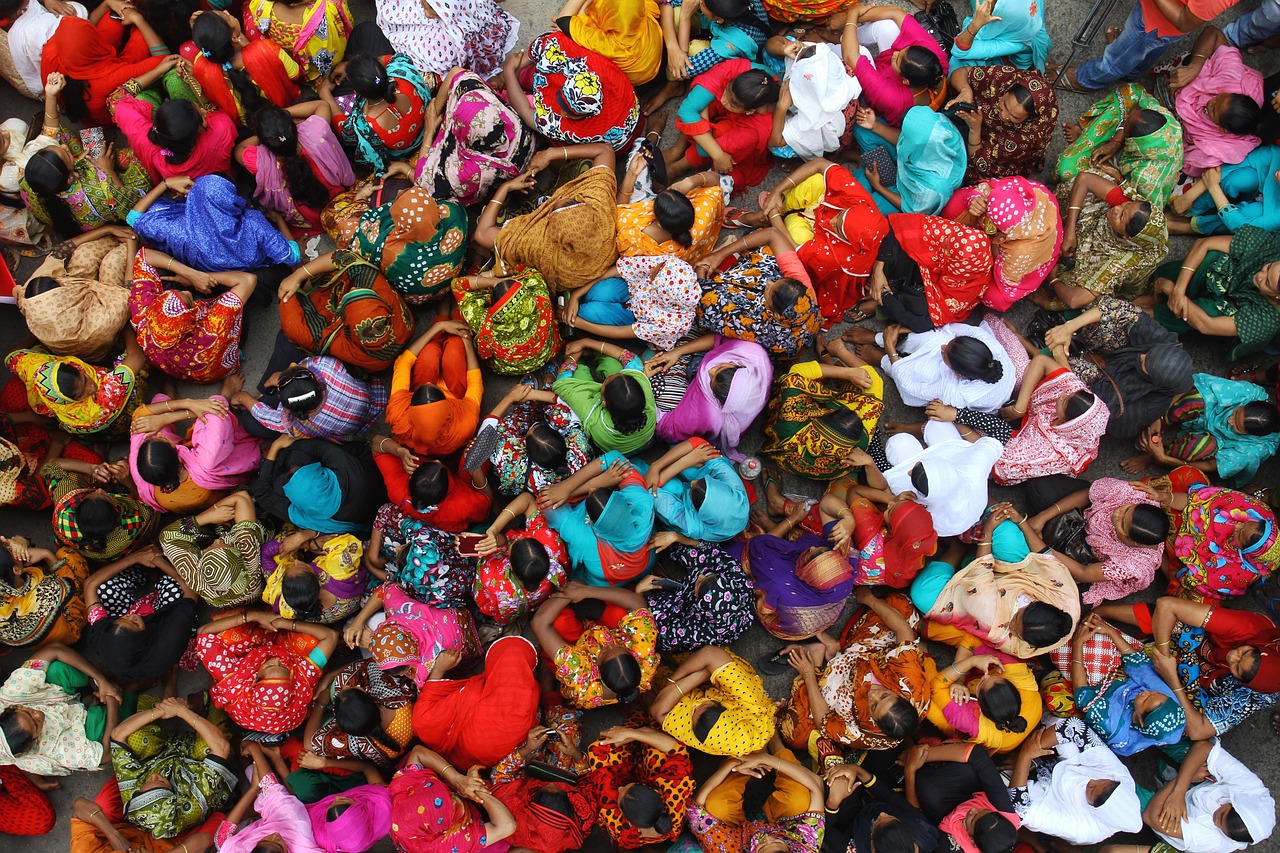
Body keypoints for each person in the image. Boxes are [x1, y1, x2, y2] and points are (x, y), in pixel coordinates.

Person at [778, 590, 927, 752]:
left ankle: (822, 654)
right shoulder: (910, 682)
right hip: (871, 652)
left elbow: (824, 721)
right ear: (900, 695)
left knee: (796, 737)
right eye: (885, 695)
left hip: (842, 694)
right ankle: (834, 650)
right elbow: (902, 630)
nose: (873, 695)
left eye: (874, 706)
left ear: (873, 721)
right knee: (902, 605)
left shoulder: (863, 734)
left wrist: (808, 675)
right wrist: (869, 599)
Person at [1043, 295, 1195, 438]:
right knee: (1111, 318)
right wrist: (1068, 328)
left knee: (1075, 381)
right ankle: (1071, 340)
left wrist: (1058, 354)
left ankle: (1052, 356)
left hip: (1099, 396)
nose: (1141, 356)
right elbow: (1122, 309)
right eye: (1147, 355)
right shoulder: (1165, 345)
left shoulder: (1147, 405)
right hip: (1112, 360)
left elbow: (1083, 404)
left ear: (1152, 379)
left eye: (1144, 365)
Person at [477, 143, 621, 292]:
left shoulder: (537, 246)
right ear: (584, 206)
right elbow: (605, 150)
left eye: (552, 209)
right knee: (586, 164)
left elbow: (482, 233)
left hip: (527, 219)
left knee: (486, 217)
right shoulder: (599, 207)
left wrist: (506, 188)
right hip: (549, 215)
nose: (553, 202)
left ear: (554, 233)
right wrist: (550, 154)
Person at [922, 524, 1079, 659]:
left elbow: (980, 574)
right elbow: (1046, 558)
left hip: (974, 593)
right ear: (1036, 603)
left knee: (924, 595)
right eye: (1017, 619)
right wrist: (1022, 522)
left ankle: (958, 549)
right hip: (1017, 571)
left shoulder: (992, 618)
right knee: (1007, 531)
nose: (1010, 628)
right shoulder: (1066, 602)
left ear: (1029, 643)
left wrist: (988, 534)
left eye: (1016, 632)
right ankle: (976, 534)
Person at [384, 66, 535, 206]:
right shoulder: (501, 115)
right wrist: (435, 111)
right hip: (506, 142)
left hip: (493, 165)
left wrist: (430, 129)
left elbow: (426, 182)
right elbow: (457, 73)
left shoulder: (469, 172)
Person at [1022, 475, 1168, 604]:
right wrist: (1043, 517)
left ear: (1134, 543)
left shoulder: (1135, 565)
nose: (1117, 514)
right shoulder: (1136, 493)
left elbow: (1083, 572)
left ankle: (1046, 542)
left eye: (1122, 524)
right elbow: (1088, 494)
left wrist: (1037, 544)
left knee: (1060, 604)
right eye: (1127, 509)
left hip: (1089, 561)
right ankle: (1047, 531)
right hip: (1083, 518)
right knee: (1038, 488)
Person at [1136, 472, 1279, 600]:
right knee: (1190, 475)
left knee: (1191, 597)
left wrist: (1163, 557)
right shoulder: (1254, 510)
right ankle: (1158, 538)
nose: (1237, 525)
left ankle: (1158, 550)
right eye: (1245, 523)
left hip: (1184, 555)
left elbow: (1193, 580)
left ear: (1244, 552)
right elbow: (1194, 501)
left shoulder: (1238, 574)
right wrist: (1164, 497)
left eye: (1240, 534)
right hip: (1187, 515)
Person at [196, 609, 339, 736]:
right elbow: (330, 636)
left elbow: (204, 633)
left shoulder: (235, 683)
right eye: (283, 667)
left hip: (251, 653)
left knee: (224, 634)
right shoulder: (302, 680)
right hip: (282, 647)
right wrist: (284, 623)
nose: (277, 660)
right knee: (311, 642)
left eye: (271, 667)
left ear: (254, 680)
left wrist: (252, 616)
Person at [109, 697, 237, 839]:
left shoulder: (134, 797)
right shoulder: (191, 807)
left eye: (147, 782)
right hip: (194, 765)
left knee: (135, 739)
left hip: (161, 754)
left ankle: (166, 700)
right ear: (174, 796)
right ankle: (217, 700)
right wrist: (181, 711)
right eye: (160, 782)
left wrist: (162, 710)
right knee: (208, 748)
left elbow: (117, 734)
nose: (153, 776)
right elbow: (221, 748)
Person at [1149, 227, 1280, 362]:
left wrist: (1170, 290)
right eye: (1268, 267)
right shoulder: (1274, 248)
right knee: (1211, 257)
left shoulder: (1267, 320)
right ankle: (1159, 284)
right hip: (1228, 276)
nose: (1260, 275)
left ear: (1278, 296)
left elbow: (1207, 325)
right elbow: (1204, 244)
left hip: (1231, 310)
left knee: (1201, 312)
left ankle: (1146, 315)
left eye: (1267, 282)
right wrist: (1179, 290)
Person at [692, 223, 821, 358]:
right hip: (775, 311)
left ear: (775, 315)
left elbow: (705, 302)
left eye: (770, 290)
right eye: (776, 282)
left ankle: (719, 272)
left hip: (758, 323)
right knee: (765, 244)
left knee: (710, 304)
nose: (769, 283)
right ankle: (726, 268)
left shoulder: (764, 330)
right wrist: (720, 254)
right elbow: (772, 234)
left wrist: (701, 268)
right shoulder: (803, 294)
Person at [410, 635, 540, 769]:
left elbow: (423, 722)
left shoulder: (472, 694)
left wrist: (438, 670)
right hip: (480, 770)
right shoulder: (531, 695)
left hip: (445, 760)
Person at [866, 414, 1007, 537]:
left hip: (952, 512)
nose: (908, 472)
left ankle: (917, 446)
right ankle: (923, 436)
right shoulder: (976, 463)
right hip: (956, 454)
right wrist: (956, 414)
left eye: (912, 475)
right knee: (938, 424)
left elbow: (884, 476)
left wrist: (872, 440)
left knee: (899, 444)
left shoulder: (910, 497)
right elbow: (1003, 429)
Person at [1125, 373, 1280, 485]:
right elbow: (1192, 383)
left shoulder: (1253, 450)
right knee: (1194, 400)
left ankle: (1153, 455)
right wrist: (1158, 417)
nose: (1230, 420)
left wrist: (1163, 459)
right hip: (1210, 414)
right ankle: (1155, 430)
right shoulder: (1248, 393)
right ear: (1247, 403)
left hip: (1219, 442)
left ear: (1249, 436)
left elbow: (1210, 466)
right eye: (1236, 413)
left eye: (1237, 426)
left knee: (1201, 447)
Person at [1007, 717, 1143, 844]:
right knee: (1063, 722)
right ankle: (1034, 751)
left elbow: (1021, 808)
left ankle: (1025, 760)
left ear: (1094, 808)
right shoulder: (1121, 777)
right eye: (1099, 780)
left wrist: (1025, 757)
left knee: (1012, 800)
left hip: (1048, 795)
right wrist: (1031, 749)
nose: (1091, 782)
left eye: (1091, 790)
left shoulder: (1083, 829)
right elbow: (1076, 727)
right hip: (1070, 765)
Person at [761, 341, 884, 480]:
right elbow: (875, 382)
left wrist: (847, 373)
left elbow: (795, 375)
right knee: (872, 385)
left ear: (821, 415)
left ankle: (833, 368)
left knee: (793, 380)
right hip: (822, 472)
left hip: (789, 452)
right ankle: (836, 360)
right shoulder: (860, 443)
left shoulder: (791, 425)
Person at [277, 250, 413, 374]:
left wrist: (296, 278)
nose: (353, 289)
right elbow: (344, 257)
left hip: (347, 319)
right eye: (355, 291)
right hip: (358, 310)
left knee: (294, 325)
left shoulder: (348, 350)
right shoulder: (383, 295)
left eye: (351, 294)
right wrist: (299, 274)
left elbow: (316, 338)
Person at [128, 253, 255, 385]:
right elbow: (248, 280)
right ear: (188, 324)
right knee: (233, 288)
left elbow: (144, 256)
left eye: (179, 292)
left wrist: (190, 274)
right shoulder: (212, 329)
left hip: (182, 368)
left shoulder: (143, 315)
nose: (188, 292)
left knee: (162, 274)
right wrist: (199, 278)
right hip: (216, 357)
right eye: (188, 300)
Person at [128, 175, 300, 272]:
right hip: (252, 263)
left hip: (213, 267)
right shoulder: (254, 224)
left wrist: (165, 184)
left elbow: (133, 218)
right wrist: (278, 221)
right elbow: (293, 257)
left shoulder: (180, 232)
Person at [1068, 614, 1188, 754]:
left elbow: (1082, 694)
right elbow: (1142, 667)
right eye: (1154, 693)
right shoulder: (1168, 706)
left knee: (1061, 701)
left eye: (1145, 700)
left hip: (1096, 695)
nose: (1147, 692)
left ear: (1141, 721)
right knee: (1157, 653)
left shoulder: (1111, 726)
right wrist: (1111, 632)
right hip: (1120, 682)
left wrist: (1078, 643)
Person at [1047, 171, 1167, 308]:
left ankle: (1046, 297)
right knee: (1088, 191)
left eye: (1121, 217)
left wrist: (1053, 280)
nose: (1116, 208)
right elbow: (1085, 179)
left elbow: (1074, 300)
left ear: (1127, 237)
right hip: (1100, 235)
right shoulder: (1140, 215)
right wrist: (1070, 229)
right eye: (1125, 206)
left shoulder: (1120, 265)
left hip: (1110, 264)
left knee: (1081, 293)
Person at [1062, 0, 1242, 92]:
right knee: (1140, 50)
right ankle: (1129, 70)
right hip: (1155, 20)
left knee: (1115, 61)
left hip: (1155, 23)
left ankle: (1086, 80)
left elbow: (1183, 21)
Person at [500, 33, 640, 151]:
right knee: (535, 71)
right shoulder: (602, 71)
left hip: (618, 144)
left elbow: (525, 112)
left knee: (523, 100)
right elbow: (549, 44)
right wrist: (516, 68)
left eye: (572, 114)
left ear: (588, 115)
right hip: (631, 116)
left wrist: (508, 71)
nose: (563, 114)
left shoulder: (575, 131)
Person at [332, 183, 467, 305]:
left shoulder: (392, 251)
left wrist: (360, 198)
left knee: (347, 227)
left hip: (412, 301)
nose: (401, 189)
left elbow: (350, 232)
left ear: (401, 225)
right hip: (445, 286)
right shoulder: (453, 211)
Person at [15, 225, 134, 362]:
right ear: (66, 297)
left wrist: (107, 230)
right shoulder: (95, 328)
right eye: (62, 284)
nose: (64, 281)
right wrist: (131, 245)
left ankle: (121, 236)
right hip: (105, 319)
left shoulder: (32, 297)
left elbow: (58, 252)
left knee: (84, 253)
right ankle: (133, 243)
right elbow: (129, 293)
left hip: (79, 301)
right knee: (112, 263)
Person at [0, 642, 120, 776]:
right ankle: (120, 696)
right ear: (33, 741)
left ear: (14, 708)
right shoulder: (52, 751)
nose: (38, 715)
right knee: (97, 726)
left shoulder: (11, 694)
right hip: (80, 728)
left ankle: (95, 684)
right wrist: (112, 702)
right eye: (35, 724)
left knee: (56, 669)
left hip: (63, 699)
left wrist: (101, 680)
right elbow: (106, 756)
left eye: (28, 712)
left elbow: (54, 649)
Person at [236, 102, 355, 235]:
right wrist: (281, 119)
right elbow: (322, 105)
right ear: (293, 127)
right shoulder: (315, 132)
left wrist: (267, 132)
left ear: (263, 142)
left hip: (310, 220)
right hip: (337, 196)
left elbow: (239, 149)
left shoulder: (262, 163)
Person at [944, 176, 1061, 310]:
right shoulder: (1010, 193)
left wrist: (988, 240)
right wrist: (975, 201)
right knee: (953, 206)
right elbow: (984, 190)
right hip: (1001, 233)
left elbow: (1002, 274)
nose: (986, 222)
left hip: (1016, 263)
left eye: (995, 226)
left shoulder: (1023, 251)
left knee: (994, 298)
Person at [128, 395, 260, 514]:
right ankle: (225, 392)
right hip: (211, 485)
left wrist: (178, 408)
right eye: (163, 439)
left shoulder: (142, 475)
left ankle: (171, 395)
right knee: (214, 418)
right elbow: (216, 407)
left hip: (191, 490)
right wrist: (187, 411)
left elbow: (140, 414)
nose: (161, 435)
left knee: (149, 420)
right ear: (179, 456)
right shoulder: (206, 465)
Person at [21, 117, 152, 238]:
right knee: (143, 155)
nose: (64, 146)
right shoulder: (102, 194)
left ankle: (99, 149)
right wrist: (108, 171)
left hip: (90, 177)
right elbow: (134, 203)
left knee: (59, 131)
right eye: (66, 153)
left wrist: (81, 159)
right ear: (69, 179)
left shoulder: (34, 182)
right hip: (113, 191)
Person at [533, 581, 657, 708]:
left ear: (596, 668)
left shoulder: (580, 676)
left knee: (558, 622)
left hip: (576, 647)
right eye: (620, 646)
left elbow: (539, 623)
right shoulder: (644, 663)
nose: (609, 643)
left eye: (604, 652)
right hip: (600, 632)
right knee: (619, 611)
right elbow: (636, 602)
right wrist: (586, 591)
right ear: (634, 657)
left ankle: (562, 591)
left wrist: (570, 592)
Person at [1055, 86, 1183, 208]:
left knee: (1066, 169)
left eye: (1126, 125)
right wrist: (1116, 142)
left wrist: (1118, 177)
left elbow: (1140, 209)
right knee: (1133, 91)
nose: (1125, 117)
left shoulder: (1145, 179)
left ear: (1132, 143)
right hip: (1129, 151)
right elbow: (1139, 104)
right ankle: (1087, 138)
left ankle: (1088, 139)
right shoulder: (1167, 120)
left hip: (1125, 181)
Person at [83, 547, 198, 683]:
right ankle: (158, 567)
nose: (131, 616)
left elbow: (89, 585)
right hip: (170, 628)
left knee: (104, 588)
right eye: (134, 623)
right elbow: (191, 592)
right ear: (141, 638)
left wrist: (136, 557)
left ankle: (146, 572)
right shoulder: (168, 642)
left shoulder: (102, 635)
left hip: (145, 625)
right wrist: (158, 560)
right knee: (175, 588)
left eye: (122, 618)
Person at [542, 452, 657, 586]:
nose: (591, 489)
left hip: (608, 584)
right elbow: (615, 457)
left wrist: (569, 489)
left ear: (591, 523)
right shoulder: (642, 503)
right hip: (647, 562)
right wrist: (568, 487)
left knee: (558, 511)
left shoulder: (586, 540)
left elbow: (546, 503)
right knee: (635, 467)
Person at [994, 354, 1111, 484]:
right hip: (1027, 422)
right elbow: (1041, 360)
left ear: (1067, 423)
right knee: (1021, 368)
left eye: (1064, 402)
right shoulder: (1076, 396)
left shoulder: (1052, 452)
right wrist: (1020, 408)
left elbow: (998, 461)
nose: (1062, 395)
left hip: (1020, 447)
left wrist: (968, 427)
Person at [1142, 739, 1275, 853]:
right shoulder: (1250, 789)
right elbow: (1203, 748)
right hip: (1194, 787)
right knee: (1182, 743)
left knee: (1131, 800)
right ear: (1234, 803)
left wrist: (1180, 784)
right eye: (1222, 816)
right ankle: (1142, 733)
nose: (1216, 821)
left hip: (1168, 813)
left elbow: (1151, 817)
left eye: (1222, 830)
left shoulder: (1212, 840)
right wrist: (1180, 791)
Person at [343, 576, 480, 686]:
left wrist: (373, 642)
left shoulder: (426, 668)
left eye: (406, 670)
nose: (403, 675)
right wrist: (361, 625)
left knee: (360, 630)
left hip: (469, 648)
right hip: (459, 614)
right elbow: (385, 588)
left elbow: (428, 689)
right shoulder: (399, 607)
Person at [653, 334, 772, 461]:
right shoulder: (751, 353)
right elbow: (717, 339)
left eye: (711, 381)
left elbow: (665, 429)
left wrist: (643, 379)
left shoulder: (707, 415)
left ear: (720, 401)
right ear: (739, 367)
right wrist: (677, 352)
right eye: (720, 367)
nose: (710, 371)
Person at [41, 11, 170, 127]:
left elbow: (79, 31)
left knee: (112, 19)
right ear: (93, 41)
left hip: (81, 105)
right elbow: (165, 58)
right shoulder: (111, 77)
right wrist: (139, 19)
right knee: (141, 38)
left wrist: (108, 3)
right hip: (105, 117)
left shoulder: (51, 53)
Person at [860, 319, 1015, 413]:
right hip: (969, 372)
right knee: (933, 336)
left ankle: (882, 359)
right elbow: (949, 328)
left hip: (957, 389)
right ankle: (878, 338)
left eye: (944, 354)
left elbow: (911, 387)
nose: (942, 347)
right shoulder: (987, 343)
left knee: (922, 373)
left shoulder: (960, 392)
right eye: (948, 346)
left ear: (957, 374)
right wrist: (907, 330)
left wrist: (890, 350)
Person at [687, 749, 826, 852]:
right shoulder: (805, 847)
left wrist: (731, 766)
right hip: (782, 821)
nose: (768, 838)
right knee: (799, 800)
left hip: (737, 831)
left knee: (717, 805)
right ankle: (775, 744)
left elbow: (696, 810)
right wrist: (767, 760)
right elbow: (815, 786)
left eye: (763, 845)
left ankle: (744, 755)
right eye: (778, 842)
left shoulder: (728, 849)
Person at [233, 351, 387, 442]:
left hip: (347, 429)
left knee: (248, 420)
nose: (293, 364)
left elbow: (269, 418)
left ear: (289, 408)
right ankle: (266, 391)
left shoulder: (300, 424)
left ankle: (262, 392)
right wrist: (284, 376)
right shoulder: (326, 367)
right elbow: (305, 365)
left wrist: (243, 397)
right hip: (372, 401)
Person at [1169, 28, 1263, 176]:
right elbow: (1213, 33)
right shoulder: (1233, 79)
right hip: (1181, 88)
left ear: (1223, 129)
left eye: (1213, 110)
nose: (1210, 102)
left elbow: (1183, 159)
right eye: (1219, 97)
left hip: (1177, 122)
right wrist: (1194, 67)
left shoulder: (1217, 147)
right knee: (1187, 61)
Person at [670, 59, 778, 188]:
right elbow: (688, 110)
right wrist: (718, 155)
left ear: (749, 111)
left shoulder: (754, 129)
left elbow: (704, 150)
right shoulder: (736, 70)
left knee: (716, 129)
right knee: (703, 102)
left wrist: (717, 153)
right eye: (727, 90)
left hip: (740, 131)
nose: (723, 100)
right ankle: (678, 148)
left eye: (731, 104)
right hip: (739, 104)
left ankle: (679, 167)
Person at [387, 745, 518, 850]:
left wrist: (456, 779)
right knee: (502, 845)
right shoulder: (447, 845)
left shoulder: (403, 787)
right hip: (465, 835)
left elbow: (418, 752)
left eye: (447, 794)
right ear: (443, 827)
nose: (454, 797)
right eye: (453, 805)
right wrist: (477, 789)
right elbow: (507, 826)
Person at [651, 645, 776, 755]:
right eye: (700, 707)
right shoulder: (748, 700)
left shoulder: (702, 736)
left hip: (702, 684)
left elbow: (657, 712)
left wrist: (696, 677)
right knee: (687, 659)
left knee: (658, 683)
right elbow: (710, 653)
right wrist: (673, 681)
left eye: (693, 713)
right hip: (727, 689)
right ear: (715, 703)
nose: (694, 707)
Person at [108, 79, 238, 184]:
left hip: (170, 187)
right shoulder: (220, 129)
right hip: (222, 183)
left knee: (142, 96)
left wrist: (158, 71)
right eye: (202, 116)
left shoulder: (146, 143)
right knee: (175, 80)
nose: (204, 112)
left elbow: (115, 100)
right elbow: (215, 111)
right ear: (195, 134)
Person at [924, 637, 1041, 753]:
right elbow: (970, 640)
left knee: (925, 698)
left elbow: (936, 686)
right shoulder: (1016, 673)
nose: (986, 676)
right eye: (995, 677)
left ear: (978, 704)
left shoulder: (972, 721)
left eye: (982, 683)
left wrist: (972, 661)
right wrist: (959, 681)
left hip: (970, 729)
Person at [475, 382, 593, 497]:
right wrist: (532, 394)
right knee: (558, 413)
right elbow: (564, 403)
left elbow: (484, 437)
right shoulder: (580, 446)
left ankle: (525, 396)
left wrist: (511, 397)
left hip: (519, 471)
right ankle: (542, 384)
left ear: (525, 450)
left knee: (502, 428)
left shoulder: (513, 465)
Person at [561, 256, 702, 352]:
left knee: (589, 312)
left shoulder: (671, 325)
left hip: (636, 319)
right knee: (599, 292)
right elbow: (616, 271)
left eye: (653, 277)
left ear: (661, 295)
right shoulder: (671, 265)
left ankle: (578, 316)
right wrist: (576, 295)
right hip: (632, 289)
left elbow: (619, 333)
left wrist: (578, 322)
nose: (653, 269)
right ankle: (580, 302)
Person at [321, 52, 432, 173]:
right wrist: (357, 69)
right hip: (422, 127)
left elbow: (345, 134)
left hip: (404, 151)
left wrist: (324, 92)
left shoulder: (363, 126)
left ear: (356, 92)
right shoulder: (402, 71)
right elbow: (392, 58)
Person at [385, 318, 481, 456]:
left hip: (433, 390)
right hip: (455, 393)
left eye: (424, 388)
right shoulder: (465, 423)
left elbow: (403, 362)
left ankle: (442, 317)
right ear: (447, 406)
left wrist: (438, 326)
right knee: (455, 345)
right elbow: (475, 380)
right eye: (436, 389)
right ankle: (456, 318)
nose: (430, 383)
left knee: (430, 350)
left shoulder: (399, 413)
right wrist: (466, 339)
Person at [588, 723, 694, 849]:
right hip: (646, 774)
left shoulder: (614, 819)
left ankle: (642, 730)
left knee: (607, 746)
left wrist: (630, 734)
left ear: (620, 812)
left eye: (620, 793)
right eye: (625, 788)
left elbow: (595, 750)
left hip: (628, 772)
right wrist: (633, 733)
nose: (620, 788)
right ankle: (646, 729)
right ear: (654, 790)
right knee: (656, 746)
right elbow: (677, 750)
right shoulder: (673, 798)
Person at [190, 9, 301, 127]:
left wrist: (202, 33)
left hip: (248, 128)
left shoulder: (201, 67)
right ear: (233, 37)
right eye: (226, 16)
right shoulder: (266, 50)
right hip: (284, 110)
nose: (227, 11)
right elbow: (296, 74)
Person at [947, 65, 1058, 183]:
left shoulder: (1025, 138)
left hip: (994, 150)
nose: (1004, 116)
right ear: (1006, 90)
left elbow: (982, 165)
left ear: (1028, 118)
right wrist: (965, 90)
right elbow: (962, 72)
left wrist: (975, 129)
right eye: (1004, 104)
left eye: (1015, 117)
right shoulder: (1003, 78)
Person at [255, 436, 386, 535]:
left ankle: (274, 461)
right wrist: (283, 446)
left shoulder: (309, 518)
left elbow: (263, 494)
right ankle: (279, 460)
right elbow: (316, 446)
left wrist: (275, 449)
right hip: (367, 478)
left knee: (280, 480)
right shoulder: (343, 466)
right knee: (293, 457)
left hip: (369, 492)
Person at [842, 5, 948, 127]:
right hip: (887, 73)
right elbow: (897, 13)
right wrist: (845, 20)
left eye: (897, 60)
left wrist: (852, 15)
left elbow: (850, 56)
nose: (895, 53)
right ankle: (839, 37)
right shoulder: (934, 57)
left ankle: (831, 43)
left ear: (905, 81)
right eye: (904, 50)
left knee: (861, 52)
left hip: (869, 95)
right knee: (887, 27)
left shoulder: (892, 97)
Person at [904, 743, 1020, 853]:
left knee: (927, 791)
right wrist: (921, 755)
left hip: (937, 815)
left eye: (973, 818)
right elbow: (977, 754)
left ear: (973, 841)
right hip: (966, 792)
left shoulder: (949, 849)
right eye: (982, 810)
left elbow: (918, 824)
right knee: (967, 769)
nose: (973, 810)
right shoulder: (1004, 812)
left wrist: (910, 771)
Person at [473, 492, 569, 625]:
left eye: (515, 542)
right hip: (538, 599)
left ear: (510, 565)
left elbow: (482, 601)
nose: (518, 537)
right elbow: (528, 499)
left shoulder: (491, 576)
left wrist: (495, 534)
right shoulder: (552, 543)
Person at [157, 492, 265, 609]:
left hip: (228, 601)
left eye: (210, 549)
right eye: (223, 545)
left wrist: (206, 517)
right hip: (253, 590)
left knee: (210, 525)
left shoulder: (194, 575)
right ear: (239, 555)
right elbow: (241, 498)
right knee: (244, 504)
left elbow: (167, 536)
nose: (217, 541)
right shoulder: (249, 557)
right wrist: (213, 512)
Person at [640, 542, 755, 651]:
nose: (700, 576)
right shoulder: (738, 581)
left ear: (700, 606)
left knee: (653, 615)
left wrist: (638, 592)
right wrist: (676, 537)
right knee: (691, 551)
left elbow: (662, 637)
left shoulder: (700, 630)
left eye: (699, 583)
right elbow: (712, 550)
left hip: (689, 614)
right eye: (709, 576)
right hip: (706, 601)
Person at [306, 658, 416, 770]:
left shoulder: (356, 742)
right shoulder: (393, 691)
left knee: (340, 681)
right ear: (372, 700)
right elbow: (371, 661)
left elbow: (309, 744)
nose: (345, 687)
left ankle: (329, 701)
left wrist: (320, 704)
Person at [856, 106, 967, 216]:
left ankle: (865, 171)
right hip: (907, 163)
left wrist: (878, 186)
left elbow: (913, 209)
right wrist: (874, 126)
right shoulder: (937, 127)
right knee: (863, 129)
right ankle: (865, 169)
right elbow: (906, 139)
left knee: (864, 210)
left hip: (907, 195)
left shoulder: (934, 190)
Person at [553, 339, 657, 455]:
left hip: (610, 447)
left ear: (603, 403)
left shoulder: (595, 419)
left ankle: (583, 357)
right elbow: (629, 358)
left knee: (577, 373)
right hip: (640, 443)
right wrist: (586, 342)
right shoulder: (643, 390)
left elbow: (562, 384)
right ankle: (591, 351)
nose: (609, 375)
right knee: (612, 365)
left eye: (606, 381)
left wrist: (574, 356)